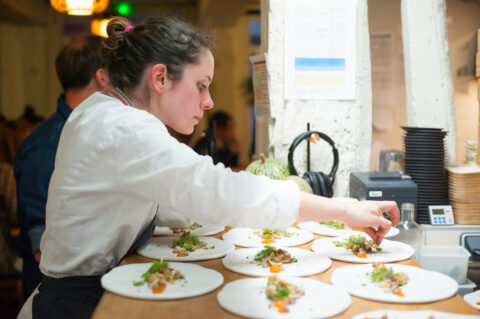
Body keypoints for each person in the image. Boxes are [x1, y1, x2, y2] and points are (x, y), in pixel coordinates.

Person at [26, 16, 398, 319]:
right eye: (201, 85)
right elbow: (217, 190)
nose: (209, 101)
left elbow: (159, 188)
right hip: (75, 304)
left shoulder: (103, 110)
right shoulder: (125, 128)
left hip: (80, 289)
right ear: (159, 78)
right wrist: (344, 210)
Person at [13, 33, 111, 303]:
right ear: (102, 77)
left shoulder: (96, 130)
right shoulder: (45, 146)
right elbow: (43, 241)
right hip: (56, 294)